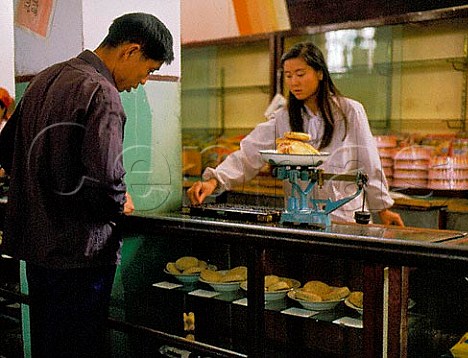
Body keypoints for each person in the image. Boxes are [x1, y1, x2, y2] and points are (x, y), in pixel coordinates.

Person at [0, 12, 174, 357]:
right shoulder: (102, 92)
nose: (143, 81)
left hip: (38, 250)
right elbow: (106, 182)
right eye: (149, 70)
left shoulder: (43, 79)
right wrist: (119, 200)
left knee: (50, 346)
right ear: (131, 50)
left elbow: (6, 151)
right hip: (80, 257)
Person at [188, 42, 403, 226]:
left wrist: (382, 207)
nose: (294, 82)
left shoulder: (349, 112)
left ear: (319, 73)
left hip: (344, 219)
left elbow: (369, 162)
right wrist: (214, 181)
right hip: (299, 221)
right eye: (289, 76)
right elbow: (248, 154)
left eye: (301, 74)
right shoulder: (283, 118)